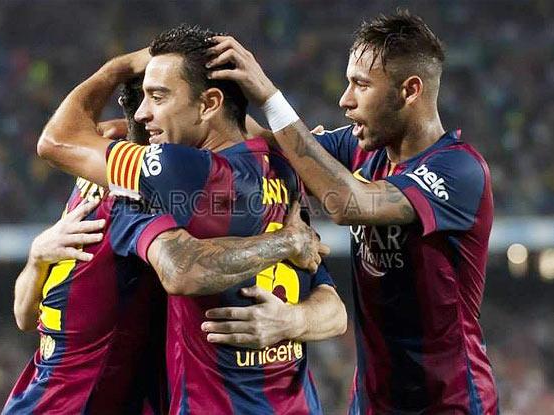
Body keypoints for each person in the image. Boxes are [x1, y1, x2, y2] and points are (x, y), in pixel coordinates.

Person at [37, 25, 347, 414]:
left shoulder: (181, 170)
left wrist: (119, 67)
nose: (142, 112)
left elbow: (57, 141)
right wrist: (293, 320)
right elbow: (335, 310)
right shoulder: (285, 170)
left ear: (208, 104)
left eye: (158, 97)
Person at [204, 10, 499, 414]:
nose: (345, 99)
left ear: (410, 91)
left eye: (361, 85)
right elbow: (281, 148)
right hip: (371, 403)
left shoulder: (459, 170)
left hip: (449, 404)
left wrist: (269, 95)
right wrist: (200, 103)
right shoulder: (363, 150)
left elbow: (348, 203)